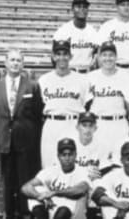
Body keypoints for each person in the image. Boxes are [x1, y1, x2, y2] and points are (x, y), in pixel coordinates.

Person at [0, 50, 43, 219]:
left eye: (19, 60)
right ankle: (9, 213)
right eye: (12, 60)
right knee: (8, 179)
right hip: (5, 140)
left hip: (26, 142)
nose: (15, 63)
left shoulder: (32, 86)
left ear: (23, 64)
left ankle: (24, 212)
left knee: (24, 178)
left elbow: (36, 113)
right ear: (5, 63)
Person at [38, 40, 89, 168]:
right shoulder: (43, 80)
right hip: (52, 124)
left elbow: (87, 105)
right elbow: (39, 107)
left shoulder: (82, 80)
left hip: (73, 124)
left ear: (70, 56)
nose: (62, 57)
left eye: (65, 53)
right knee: (49, 164)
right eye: (58, 53)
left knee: (74, 164)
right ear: (53, 56)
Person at [22, 138, 91, 219]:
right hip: (53, 207)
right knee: (37, 192)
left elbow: (82, 188)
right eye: (64, 155)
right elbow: (25, 187)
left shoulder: (82, 171)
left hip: (74, 213)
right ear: (58, 156)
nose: (67, 158)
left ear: (75, 155)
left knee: (64, 208)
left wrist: (54, 193)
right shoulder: (51, 170)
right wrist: (40, 196)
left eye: (70, 154)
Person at [86, 41, 129, 153]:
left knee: (120, 161)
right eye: (104, 55)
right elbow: (86, 105)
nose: (108, 58)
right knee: (99, 162)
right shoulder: (91, 77)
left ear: (116, 57)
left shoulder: (126, 77)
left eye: (111, 55)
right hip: (99, 124)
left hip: (119, 123)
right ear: (99, 57)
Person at [97, 0, 129, 78]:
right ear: (117, 7)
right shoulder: (107, 26)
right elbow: (100, 52)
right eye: (122, 5)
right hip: (112, 68)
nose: (126, 7)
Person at [53, 0, 98, 73]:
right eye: (78, 6)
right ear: (72, 9)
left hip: (88, 73)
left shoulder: (93, 32)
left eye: (84, 7)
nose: (82, 9)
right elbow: (53, 58)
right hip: (69, 72)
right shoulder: (62, 31)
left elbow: (96, 55)